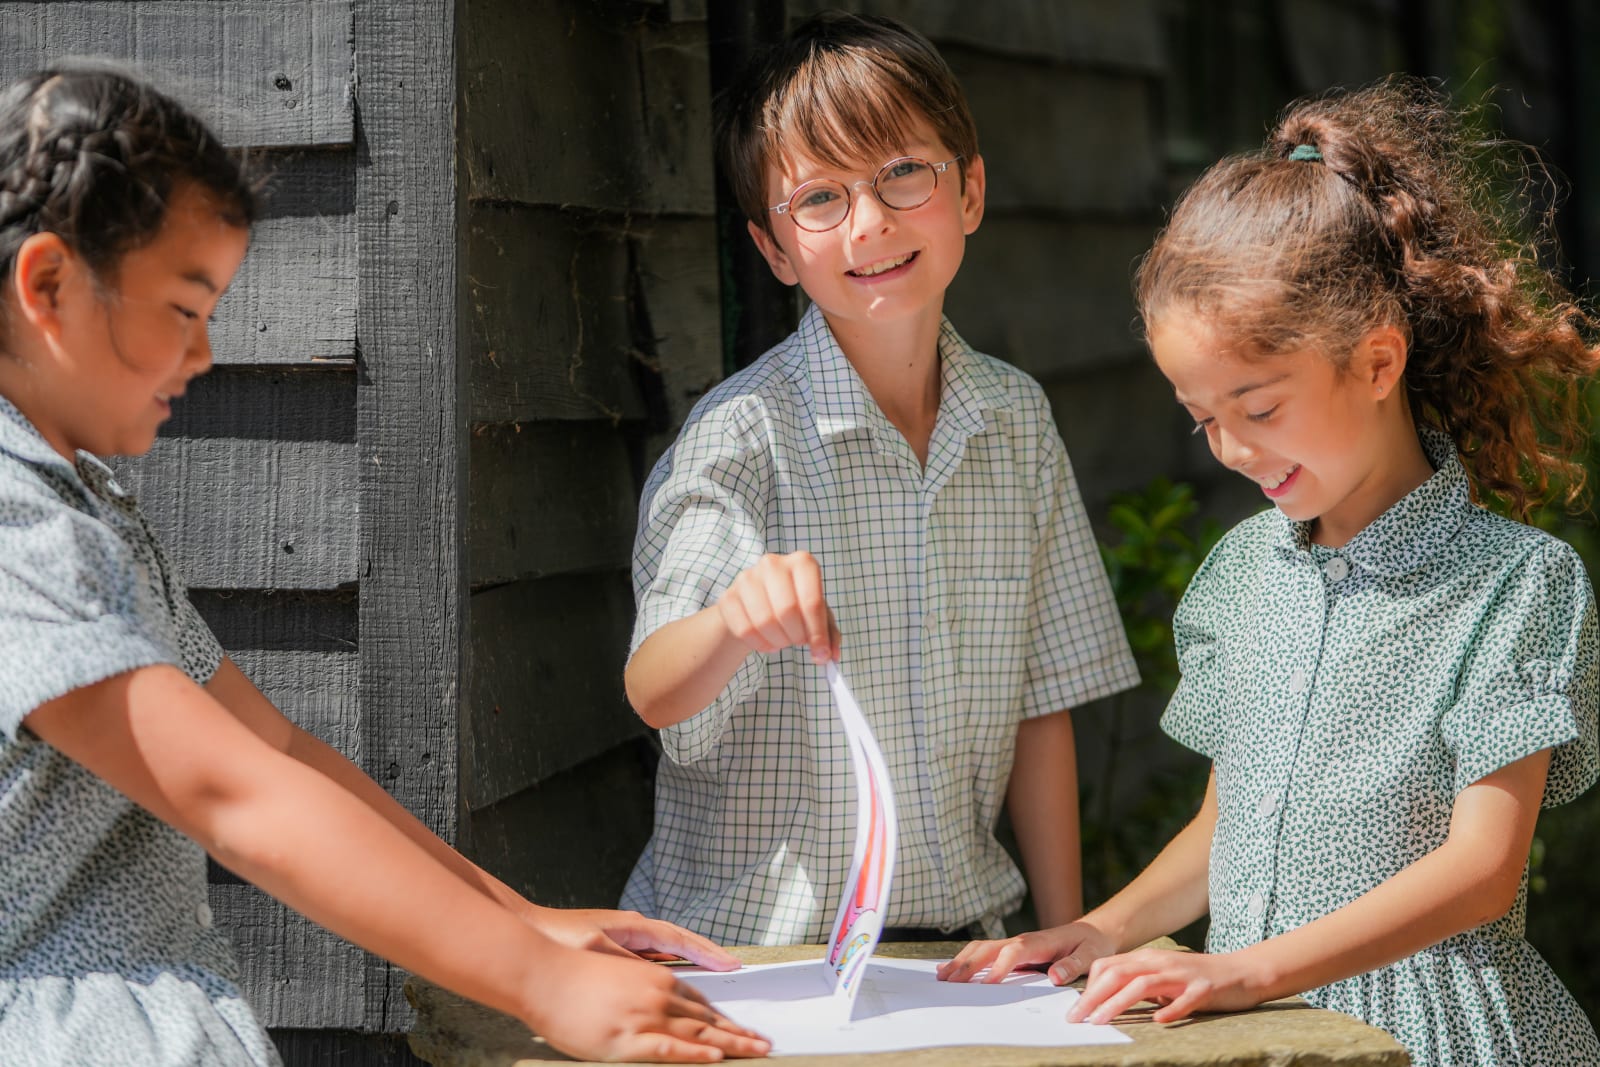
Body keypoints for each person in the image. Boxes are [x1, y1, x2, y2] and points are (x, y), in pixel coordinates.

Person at [0, 67, 769, 1065]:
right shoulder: (17, 535)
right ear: (49, 284)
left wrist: (520, 920)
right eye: (186, 309)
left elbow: (270, 745)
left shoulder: (87, 509)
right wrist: (540, 981)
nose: (203, 355)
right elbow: (237, 794)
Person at [937, 77, 1600, 1066]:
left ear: (1376, 362)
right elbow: (1231, 818)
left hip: (1424, 1034)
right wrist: (1103, 928)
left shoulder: (1513, 582)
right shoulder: (1243, 570)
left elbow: (1480, 869)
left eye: (1257, 405)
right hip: (1255, 1028)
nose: (1230, 447)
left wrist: (1248, 970)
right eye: (1201, 416)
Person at [621, 11, 1139, 947]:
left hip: (956, 948)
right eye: (818, 198)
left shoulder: (1015, 419)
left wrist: (1065, 943)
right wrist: (735, 619)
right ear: (774, 250)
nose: (871, 222)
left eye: (904, 173)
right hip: (759, 957)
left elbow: (1040, 703)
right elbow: (654, 687)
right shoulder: (742, 438)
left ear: (970, 190)